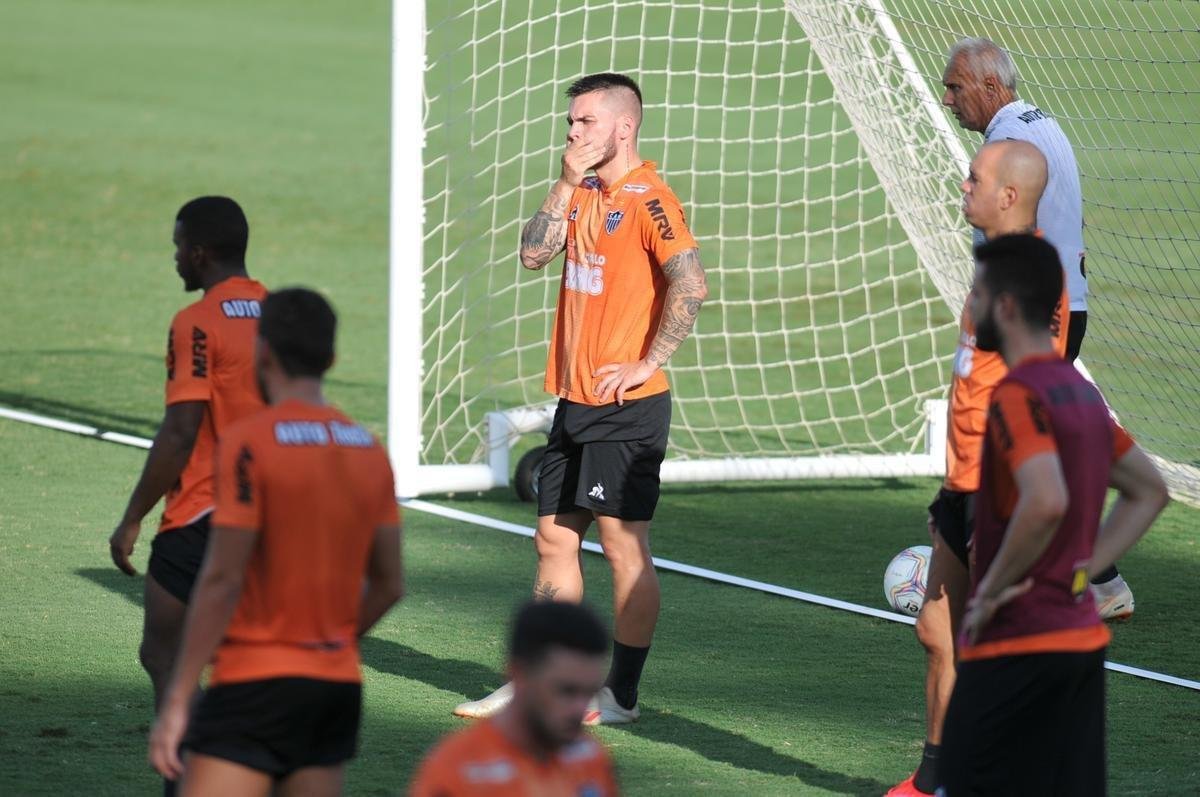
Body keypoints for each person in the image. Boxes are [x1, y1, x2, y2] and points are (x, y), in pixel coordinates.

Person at [454, 72, 708, 725]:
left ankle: (619, 695)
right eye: (570, 123)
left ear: (623, 127)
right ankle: (539, 681)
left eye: (585, 122)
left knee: (624, 548)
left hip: (628, 408)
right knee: (552, 540)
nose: (573, 132)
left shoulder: (651, 199)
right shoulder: (584, 191)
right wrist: (567, 179)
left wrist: (649, 360)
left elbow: (693, 285)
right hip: (575, 399)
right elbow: (533, 254)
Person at [147, 288, 404, 796]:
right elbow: (389, 583)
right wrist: (332, 641)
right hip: (333, 688)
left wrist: (178, 697)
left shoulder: (249, 442)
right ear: (331, 357)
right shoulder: (369, 450)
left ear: (263, 352)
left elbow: (222, 577)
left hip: (253, 682)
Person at [938, 234, 1168, 795]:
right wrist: (1083, 573)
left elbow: (1044, 499)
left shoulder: (1018, 395)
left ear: (1007, 307)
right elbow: (1148, 491)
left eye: (979, 292)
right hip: (1080, 644)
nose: (971, 304)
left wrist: (992, 587)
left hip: (1018, 643)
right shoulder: (1080, 392)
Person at [888, 139, 1070, 797]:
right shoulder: (998, 266)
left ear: (1010, 196)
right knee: (936, 633)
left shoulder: (1029, 277)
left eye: (975, 178)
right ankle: (932, 780)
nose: (963, 186)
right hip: (963, 489)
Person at [942, 36, 1130, 620]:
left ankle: (1066, 579)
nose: (947, 100)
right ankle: (1096, 578)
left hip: (1039, 315)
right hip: (1061, 302)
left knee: (1021, 442)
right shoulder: (1036, 122)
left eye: (955, 87)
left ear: (991, 88)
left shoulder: (1006, 146)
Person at [107, 196, 267, 795]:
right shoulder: (278, 312)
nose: (176, 257)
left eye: (178, 247)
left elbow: (180, 431)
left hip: (203, 514)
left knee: (167, 659)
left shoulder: (196, 322)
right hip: (272, 518)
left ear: (198, 253)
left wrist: (130, 519)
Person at [412, 601, 619, 796]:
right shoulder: (459, 770)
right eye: (566, 691)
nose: (580, 709)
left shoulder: (590, 756)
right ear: (518, 674)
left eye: (590, 693)